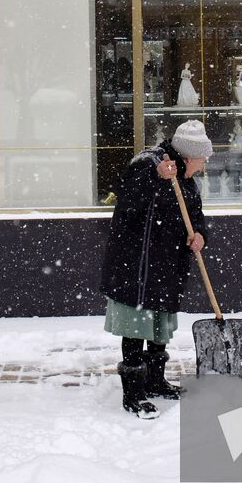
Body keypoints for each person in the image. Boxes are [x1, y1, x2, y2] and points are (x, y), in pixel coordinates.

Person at [101, 119, 212, 418]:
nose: (202, 167)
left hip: (165, 267)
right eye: (201, 161)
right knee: (136, 329)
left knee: (159, 328)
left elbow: (195, 215)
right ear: (188, 157)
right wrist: (155, 177)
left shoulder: (187, 180)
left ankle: (155, 381)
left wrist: (199, 234)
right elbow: (126, 199)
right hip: (136, 268)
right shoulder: (148, 164)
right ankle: (133, 394)